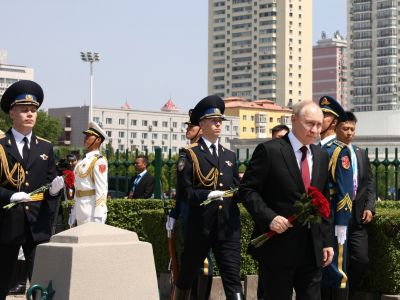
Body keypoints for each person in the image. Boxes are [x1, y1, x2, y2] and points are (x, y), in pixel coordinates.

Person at [239, 100, 334, 300]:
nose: (315, 130)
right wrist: (269, 218)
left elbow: (323, 202)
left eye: (319, 125)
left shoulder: (321, 155)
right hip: (278, 248)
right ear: (293, 120)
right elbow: (248, 190)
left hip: (312, 250)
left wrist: (326, 241)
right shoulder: (270, 151)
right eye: (310, 123)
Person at [174, 95, 244, 300]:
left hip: (227, 227)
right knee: (187, 275)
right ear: (201, 124)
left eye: (220, 120)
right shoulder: (189, 154)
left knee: (232, 279)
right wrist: (208, 194)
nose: (218, 124)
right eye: (213, 120)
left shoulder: (229, 155)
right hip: (201, 227)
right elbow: (185, 193)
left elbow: (236, 188)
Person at [0, 80, 64, 299]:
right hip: (6, 225)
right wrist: (9, 195)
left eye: (33, 110)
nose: (30, 114)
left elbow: (49, 182)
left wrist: (54, 192)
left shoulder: (45, 146)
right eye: (24, 110)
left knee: (41, 284)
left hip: (37, 226)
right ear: (11, 113)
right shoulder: (1, 144)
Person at [166, 109, 213, 299]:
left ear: (201, 129)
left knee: (203, 261)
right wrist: (174, 213)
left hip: (201, 213)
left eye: (192, 125)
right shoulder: (187, 154)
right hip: (186, 212)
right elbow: (183, 192)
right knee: (189, 257)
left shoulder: (205, 154)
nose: (188, 128)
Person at [335, 111, 375, 299]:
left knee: (361, 259)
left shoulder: (360, 153)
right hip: (337, 218)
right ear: (336, 128)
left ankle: (349, 294)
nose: (349, 132)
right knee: (337, 263)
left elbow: (368, 183)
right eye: (345, 128)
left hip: (358, 218)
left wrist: (369, 206)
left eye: (352, 129)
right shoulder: (330, 151)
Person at [319, 96, 354, 300]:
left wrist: (341, 223)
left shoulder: (339, 151)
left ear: (333, 122)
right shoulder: (317, 148)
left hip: (332, 218)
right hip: (318, 219)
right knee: (321, 269)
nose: (320, 118)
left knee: (336, 271)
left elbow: (346, 192)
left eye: (325, 115)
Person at [68, 122, 108, 226]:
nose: (85, 138)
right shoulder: (82, 162)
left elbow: (102, 189)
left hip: (91, 210)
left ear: (98, 140)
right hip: (80, 208)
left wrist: (99, 214)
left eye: (89, 136)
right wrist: (74, 212)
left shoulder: (99, 161)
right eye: (85, 136)